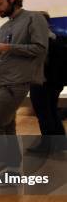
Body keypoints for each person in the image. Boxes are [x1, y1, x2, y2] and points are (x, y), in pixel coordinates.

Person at [0, 0, 49, 185]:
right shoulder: (3, 28)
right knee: (7, 127)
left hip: (16, 83)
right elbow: (5, 55)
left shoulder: (34, 18)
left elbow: (40, 49)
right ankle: (6, 166)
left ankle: (9, 168)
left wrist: (6, 47)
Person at [28, 12, 66, 153]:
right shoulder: (56, 37)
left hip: (42, 82)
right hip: (55, 83)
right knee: (52, 112)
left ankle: (47, 145)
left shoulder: (41, 40)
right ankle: (61, 143)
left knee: (44, 114)